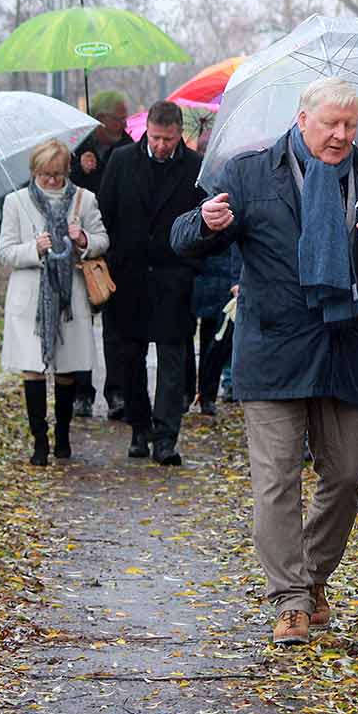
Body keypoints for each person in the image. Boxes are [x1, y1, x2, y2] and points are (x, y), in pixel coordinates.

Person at [170, 76, 358, 647]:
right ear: (303, 119)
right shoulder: (252, 174)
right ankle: (292, 601)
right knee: (277, 481)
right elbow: (182, 238)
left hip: (344, 348)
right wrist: (206, 223)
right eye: (331, 124)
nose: (341, 136)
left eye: (350, 126)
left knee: (347, 473)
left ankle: (312, 577)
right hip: (275, 349)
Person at [101, 100, 206, 466]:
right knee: (129, 356)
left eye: (169, 139)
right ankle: (139, 427)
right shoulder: (122, 161)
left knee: (173, 359)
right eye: (157, 137)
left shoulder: (194, 168)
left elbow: (201, 223)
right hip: (128, 275)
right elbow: (107, 213)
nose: (162, 145)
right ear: (147, 130)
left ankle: (166, 437)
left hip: (173, 275)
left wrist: (191, 267)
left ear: (180, 134)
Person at [0, 138, 110, 464]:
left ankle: (62, 434)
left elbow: (103, 239)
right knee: (32, 368)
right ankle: (39, 442)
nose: (51, 181)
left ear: (66, 171)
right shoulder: (15, 202)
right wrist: (34, 248)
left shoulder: (84, 200)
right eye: (45, 174)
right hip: (29, 301)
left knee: (66, 369)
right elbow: (5, 252)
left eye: (57, 174)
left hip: (69, 297)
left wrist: (84, 240)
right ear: (34, 171)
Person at [70, 90, 134, 421]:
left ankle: (116, 392)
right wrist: (82, 170)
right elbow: (69, 195)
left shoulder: (129, 149)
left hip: (117, 249)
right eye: (118, 118)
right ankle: (82, 391)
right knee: (82, 323)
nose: (123, 124)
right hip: (83, 249)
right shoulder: (78, 151)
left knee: (116, 327)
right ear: (101, 118)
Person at [192, 244, 240, 415]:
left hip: (218, 279)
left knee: (214, 343)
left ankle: (205, 394)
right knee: (214, 342)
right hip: (213, 278)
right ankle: (205, 394)